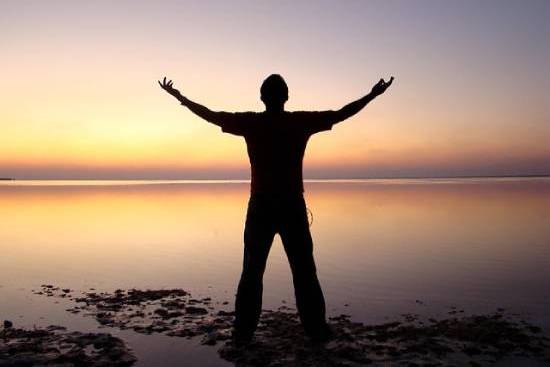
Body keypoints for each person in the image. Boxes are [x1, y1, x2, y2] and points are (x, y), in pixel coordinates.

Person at [159, 74, 393, 344]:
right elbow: (341, 114)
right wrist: (372, 95)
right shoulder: (298, 122)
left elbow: (211, 115)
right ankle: (315, 330)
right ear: (286, 97)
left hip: (262, 207)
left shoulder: (252, 122)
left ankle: (243, 332)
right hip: (291, 206)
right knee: (304, 271)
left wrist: (180, 98)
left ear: (261, 98)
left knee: (253, 271)